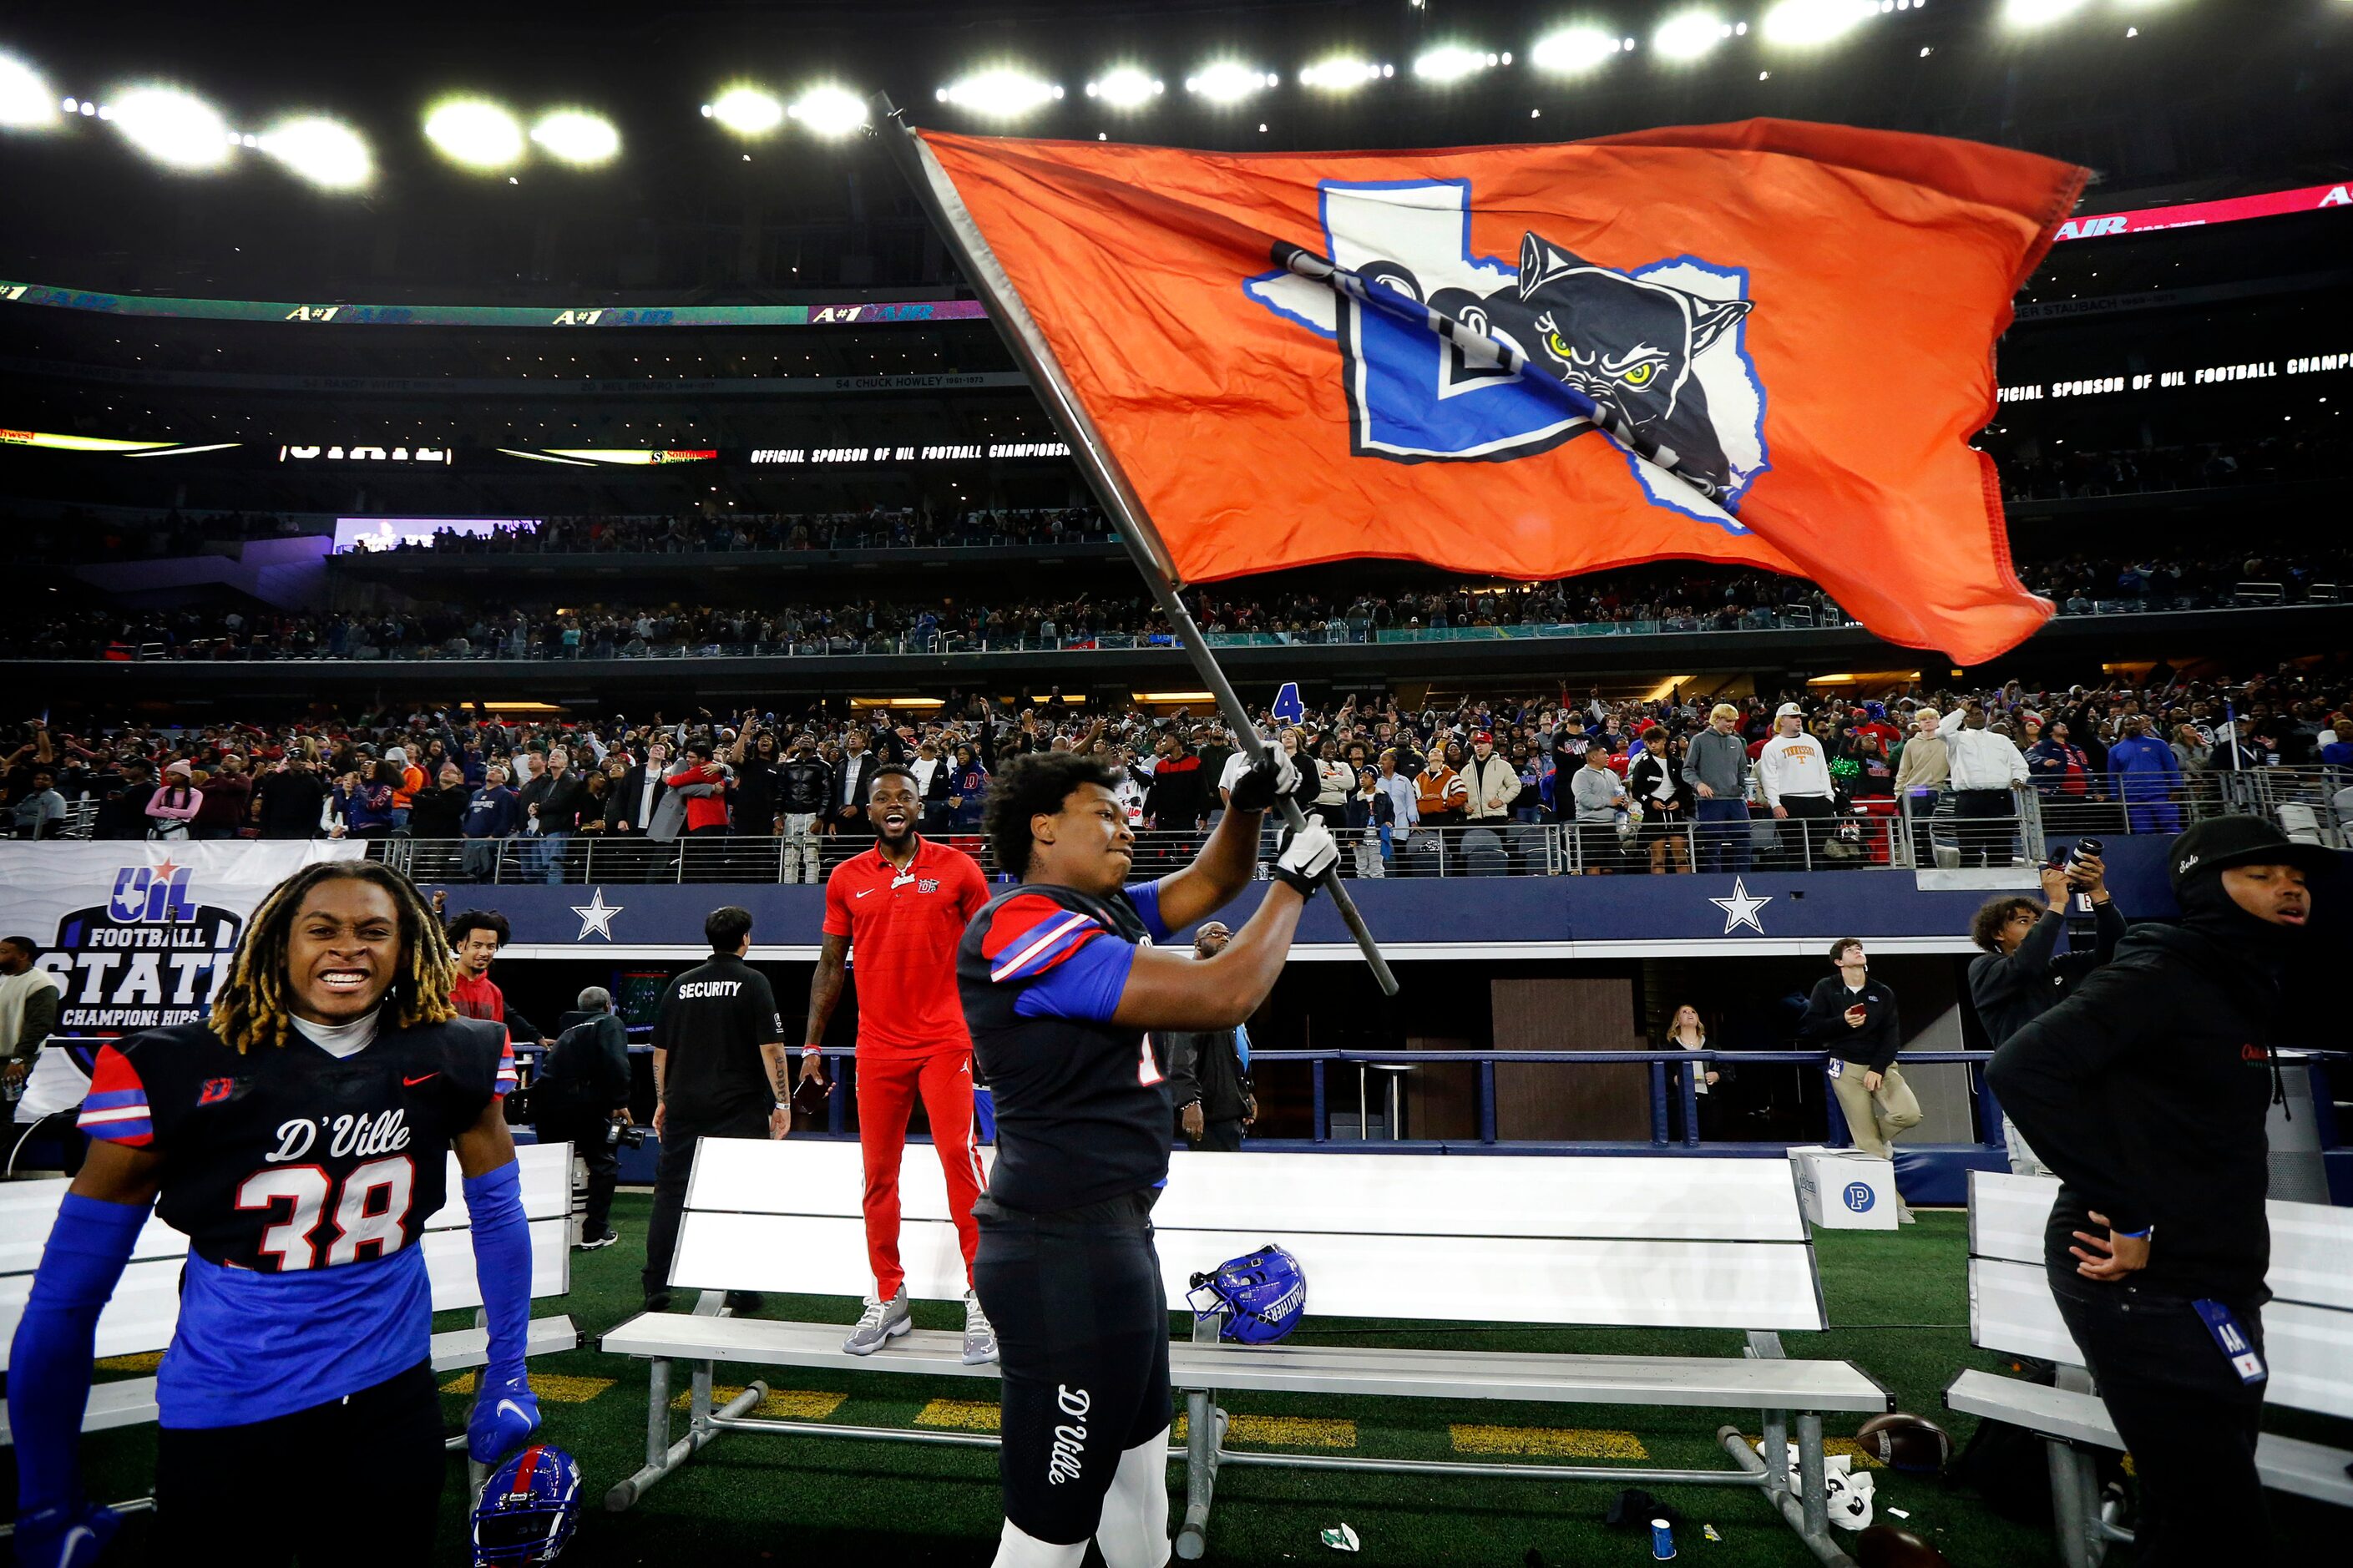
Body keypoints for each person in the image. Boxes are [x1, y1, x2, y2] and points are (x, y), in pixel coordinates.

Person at [4, 861, 534, 1565]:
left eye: (375, 930)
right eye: (322, 930)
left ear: (407, 947)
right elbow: (68, 1294)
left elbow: (499, 1216)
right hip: (231, 1401)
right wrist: (45, 1493)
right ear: (277, 942)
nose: (349, 948)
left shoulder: (457, 1051)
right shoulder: (171, 1068)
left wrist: (509, 1373)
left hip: (392, 1396)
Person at [959, 746, 1333, 1568]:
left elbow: (1206, 885)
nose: (1124, 822)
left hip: (1115, 1240)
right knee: (1047, 1535)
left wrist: (1242, 802)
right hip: (1058, 1250)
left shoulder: (1103, 913)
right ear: (1043, 826)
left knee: (1139, 1481)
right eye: (1103, 811)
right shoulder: (1019, 923)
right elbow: (1221, 993)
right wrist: (1294, 885)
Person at [1988, 817, 2330, 1566]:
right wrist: (2132, 1211)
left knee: (2197, 1507)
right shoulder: (2163, 972)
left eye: (2296, 876)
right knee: (2217, 1517)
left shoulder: (2244, 978)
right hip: (2132, 1269)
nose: (2290, 887)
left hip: (2218, 1271)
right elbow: (2020, 1069)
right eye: (2262, 875)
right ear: (2209, 888)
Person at [800, 764, 996, 1361]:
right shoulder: (846, 877)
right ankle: (889, 1295)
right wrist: (812, 1044)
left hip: (945, 1042)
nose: (893, 804)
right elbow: (831, 965)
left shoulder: (959, 868)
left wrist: (991, 1037)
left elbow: (989, 954)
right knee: (878, 1177)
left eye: (903, 797)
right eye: (882, 797)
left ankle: (983, 1297)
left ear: (919, 806)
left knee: (959, 1162)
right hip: (878, 1046)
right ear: (867, 809)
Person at [642, 906, 791, 1312]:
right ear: (746, 939)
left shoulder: (682, 985)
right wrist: (782, 1102)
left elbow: (660, 1052)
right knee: (740, 1197)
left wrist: (661, 1099)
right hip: (738, 1107)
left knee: (670, 1194)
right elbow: (772, 1048)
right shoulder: (753, 982)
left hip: (684, 1105)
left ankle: (655, 1284)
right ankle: (740, 1285)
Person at [1968, 852, 2124, 1175]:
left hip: (2076, 1085)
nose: (2035, 926)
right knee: (2039, 1180)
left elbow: (2115, 949)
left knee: (2087, 1179)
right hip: (2028, 1089)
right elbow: (2025, 964)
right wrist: (2055, 905)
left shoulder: (2060, 967)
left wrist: (2098, 893)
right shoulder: (1986, 967)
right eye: (2023, 922)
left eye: (2036, 921)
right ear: (1998, 934)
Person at [1798, 938, 1920, 1222]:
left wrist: (1878, 1067)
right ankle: (1895, 1204)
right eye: (1849, 949)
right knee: (1868, 1143)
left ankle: (1873, 1140)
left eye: (1859, 948)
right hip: (1845, 1066)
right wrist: (1842, 1022)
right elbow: (1812, 1027)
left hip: (1882, 1066)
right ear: (1839, 962)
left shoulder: (1881, 992)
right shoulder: (1826, 988)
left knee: (1909, 1114)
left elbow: (1892, 1034)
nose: (1857, 951)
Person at [534, 986, 633, 1251]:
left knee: (554, 1167)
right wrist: (620, 1102)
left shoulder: (567, 1031)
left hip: (546, 1105)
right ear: (607, 1006)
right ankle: (594, 1232)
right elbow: (616, 1063)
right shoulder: (609, 1023)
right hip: (583, 1104)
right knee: (603, 1164)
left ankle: (547, 1231)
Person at [1162, 922, 1256, 1150]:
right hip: (1207, 1113)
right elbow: (1180, 1052)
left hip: (1227, 1109)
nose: (1224, 938)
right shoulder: (1191, 987)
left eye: (1227, 934)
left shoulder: (1219, 988)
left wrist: (1245, 1092)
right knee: (1215, 1183)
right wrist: (1188, 1102)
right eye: (1214, 934)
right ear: (1197, 943)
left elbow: (1234, 1047)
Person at [1940, 701, 2032, 868]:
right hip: (1969, 799)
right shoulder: (1956, 739)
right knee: (1970, 848)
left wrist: (2019, 779)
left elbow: (2020, 765)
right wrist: (1960, 711)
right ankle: (1970, 885)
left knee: (2002, 848)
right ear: (1964, 719)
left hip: (2000, 798)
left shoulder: (2002, 740)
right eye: (1971, 714)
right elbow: (1942, 730)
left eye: (1979, 713)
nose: (1976, 717)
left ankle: (2002, 887)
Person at [1757, 702, 1837, 869]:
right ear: (1782, 720)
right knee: (1795, 853)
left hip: (1818, 800)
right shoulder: (1772, 747)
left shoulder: (1812, 741)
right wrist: (1775, 803)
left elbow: (1823, 770)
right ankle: (1796, 891)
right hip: (1789, 801)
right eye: (1793, 717)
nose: (1798, 720)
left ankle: (1817, 890)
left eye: (1799, 717)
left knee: (1816, 853)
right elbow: (1769, 778)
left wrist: (1829, 797)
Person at [1683, 702, 1752, 874]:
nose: (1731, 725)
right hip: (1710, 802)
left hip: (1736, 801)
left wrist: (1748, 786)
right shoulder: (1699, 740)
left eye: (1734, 721)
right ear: (1717, 719)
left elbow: (1742, 770)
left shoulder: (1737, 742)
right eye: (1728, 721)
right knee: (1712, 844)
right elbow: (1687, 769)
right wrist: (1699, 784)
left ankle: (1745, 880)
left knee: (1744, 841)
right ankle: (1714, 883)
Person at [1660, 1003, 1732, 1141]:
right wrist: (1674, 1079)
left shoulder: (1712, 1045)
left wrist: (1717, 1076)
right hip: (1681, 1101)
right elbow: (1661, 1072)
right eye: (1685, 1012)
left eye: (1693, 1011)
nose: (1690, 1014)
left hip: (1709, 1101)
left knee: (1712, 1138)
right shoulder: (1669, 1046)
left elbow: (1727, 1068)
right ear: (1677, 1021)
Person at [1569, 741, 1627, 873]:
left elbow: (1620, 793)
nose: (1608, 756)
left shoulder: (1612, 774)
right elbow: (1584, 798)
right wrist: (1609, 801)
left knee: (1611, 866)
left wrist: (1624, 801)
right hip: (1591, 826)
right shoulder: (1581, 775)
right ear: (1593, 757)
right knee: (1593, 865)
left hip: (1611, 826)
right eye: (1604, 753)